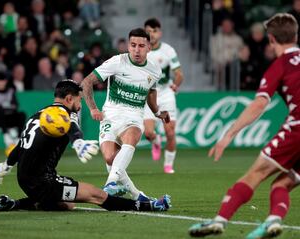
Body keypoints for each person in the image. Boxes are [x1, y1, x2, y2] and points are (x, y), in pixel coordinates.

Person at [0, 80, 171, 212]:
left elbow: (21, 145)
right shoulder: (64, 115)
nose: (80, 104)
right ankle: (151, 206)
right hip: (44, 181)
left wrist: (7, 164)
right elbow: (72, 128)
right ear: (69, 99)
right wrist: (78, 142)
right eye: (79, 99)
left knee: (66, 205)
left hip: (25, 178)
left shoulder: (39, 114)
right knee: (97, 196)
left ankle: (10, 204)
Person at [189, 13, 300, 239]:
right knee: (282, 183)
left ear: (270, 39)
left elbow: (259, 104)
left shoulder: (279, 66)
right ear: (296, 35)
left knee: (254, 175)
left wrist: (228, 134)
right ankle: (272, 221)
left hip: (297, 129)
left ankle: (219, 221)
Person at [81, 28, 170, 202]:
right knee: (110, 159)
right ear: (128, 46)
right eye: (133, 45)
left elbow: (150, 94)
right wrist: (93, 108)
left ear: (149, 48)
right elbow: (87, 82)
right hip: (110, 115)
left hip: (134, 116)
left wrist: (158, 112)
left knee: (133, 135)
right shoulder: (117, 62)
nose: (137, 49)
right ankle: (138, 195)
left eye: (141, 46)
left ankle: (111, 183)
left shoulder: (154, 70)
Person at [143, 18, 184, 174]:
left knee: (170, 132)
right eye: (148, 31)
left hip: (166, 93)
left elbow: (179, 73)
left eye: (154, 31)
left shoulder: (168, 50)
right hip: (148, 95)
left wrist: (176, 84)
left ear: (159, 33)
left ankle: (168, 165)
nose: (151, 34)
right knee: (147, 132)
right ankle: (155, 141)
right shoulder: (141, 50)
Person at [0, 71, 26, 155]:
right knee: (1, 111)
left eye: (2, 81)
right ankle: (6, 136)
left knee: (22, 114)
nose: (0, 83)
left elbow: (15, 105)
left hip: (9, 118)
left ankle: (18, 139)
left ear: (6, 81)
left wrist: (8, 108)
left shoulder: (10, 91)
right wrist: (1, 108)